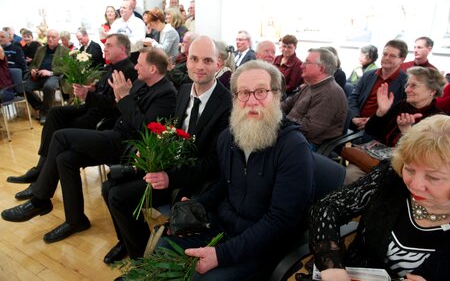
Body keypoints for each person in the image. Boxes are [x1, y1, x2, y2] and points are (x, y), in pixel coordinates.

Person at [156, 60, 315, 280]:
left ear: (277, 96)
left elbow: (281, 221)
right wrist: (196, 207)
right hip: (224, 227)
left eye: (261, 92)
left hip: (263, 245)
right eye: (243, 93)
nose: (251, 101)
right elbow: (226, 183)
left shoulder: (294, 148)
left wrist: (220, 255)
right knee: (165, 246)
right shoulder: (229, 137)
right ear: (235, 99)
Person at [2, 47, 177, 244]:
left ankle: (39, 200)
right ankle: (76, 220)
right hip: (113, 134)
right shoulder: (139, 82)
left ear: (153, 69)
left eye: (140, 64)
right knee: (65, 158)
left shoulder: (167, 93)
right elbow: (116, 109)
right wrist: (112, 97)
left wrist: (124, 98)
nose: (135, 66)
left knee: (60, 137)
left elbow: (146, 130)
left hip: (128, 147)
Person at [101, 36, 232, 263]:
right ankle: (130, 243)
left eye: (207, 60)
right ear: (187, 61)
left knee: (118, 196)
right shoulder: (183, 90)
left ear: (218, 65)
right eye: (194, 59)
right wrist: (153, 151)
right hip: (172, 168)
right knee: (107, 186)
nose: (200, 66)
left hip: (193, 182)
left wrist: (169, 177)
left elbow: (213, 163)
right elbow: (172, 131)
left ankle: (140, 261)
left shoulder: (226, 104)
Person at [310, 114, 450, 280]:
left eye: (433, 177)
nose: (414, 185)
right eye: (410, 169)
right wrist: (331, 265)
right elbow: (328, 206)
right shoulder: (392, 177)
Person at [6, 34, 137, 200]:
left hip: (102, 118)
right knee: (55, 113)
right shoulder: (111, 67)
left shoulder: (128, 71)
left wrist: (88, 95)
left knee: (60, 132)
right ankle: (40, 169)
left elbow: (114, 107)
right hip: (92, 108)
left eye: (109, 45)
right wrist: (90, 90)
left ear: (122, 49)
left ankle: (40, 182)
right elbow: (103, 93)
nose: (105, 48)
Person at [345, 66, 446, 184]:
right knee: (347, 176)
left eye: (414, 85)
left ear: (431, 91)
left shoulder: (438, 120)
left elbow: (427, 159)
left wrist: (407, 133)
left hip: (402, 170)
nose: (407, 90)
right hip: (374, 159)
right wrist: (380, 112)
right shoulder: (401, 106)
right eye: (407, 85)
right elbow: (371, 131)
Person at [282, 48, 348, 150]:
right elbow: (288, 103)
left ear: (321, 68)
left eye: (307, 63)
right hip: (294, 134)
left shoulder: (329, 93)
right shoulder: (312, 85)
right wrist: (270, 111)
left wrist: (280, 122)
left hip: (309, 143)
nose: (301, 66)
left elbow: (308, 129)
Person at [348, 39, 408, 131]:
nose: (386, 58)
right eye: (385, 54)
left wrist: (372, 121)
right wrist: (354, 117)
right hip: (355, 123)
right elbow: (353, 97)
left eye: (392, 56)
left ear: (402, 60)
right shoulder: (368, 75)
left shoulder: (405, 82)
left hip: (381, 130)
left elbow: (400, 112)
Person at [24, 29, 69, 125]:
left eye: (53, 37)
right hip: (38, 76)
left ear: (58, 39)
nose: (50, 39)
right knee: (25, 87)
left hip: (54, 76)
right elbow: (33, 63)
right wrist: (33, 69)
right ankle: (41, 107)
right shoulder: (40, 49)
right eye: (48, 37)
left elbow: (66, 67)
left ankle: (45, 113)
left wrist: (51, 72)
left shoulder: (65, 51)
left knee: (48, 87)